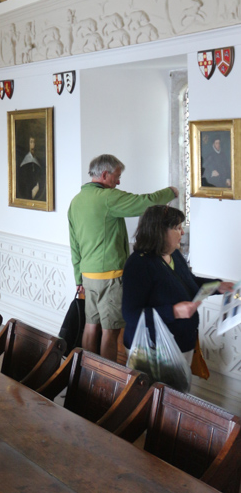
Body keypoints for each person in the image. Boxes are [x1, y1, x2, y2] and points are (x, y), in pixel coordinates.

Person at [68, 154, 177, 361]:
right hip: (110, 277)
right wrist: (170, 192)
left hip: (88, 276)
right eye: (116, 176)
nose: (118, 182)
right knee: (111, 331)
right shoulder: (108, 198)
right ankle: (107, 382)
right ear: (104, 174)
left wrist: (78, 278)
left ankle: (85, 375)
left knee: (91, 326)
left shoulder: (76, 201)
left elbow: (74, 244)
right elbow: (143, 203)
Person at [122, 204, 234, 362]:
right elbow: (131, 314)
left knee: (179, 387)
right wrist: (174, 311)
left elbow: (189, 282)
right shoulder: (139, 264)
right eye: (176, 228)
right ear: (159, 231)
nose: (182, 232)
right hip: (151, 348)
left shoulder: (173, 254)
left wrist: (217, 286)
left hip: (180, 344)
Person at [17, 136, 44, 200]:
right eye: (31, 142)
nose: (33, 145)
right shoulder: (25, 162)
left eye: (34, 142)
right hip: (28, 191)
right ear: (28, 144)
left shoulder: (39, 161)